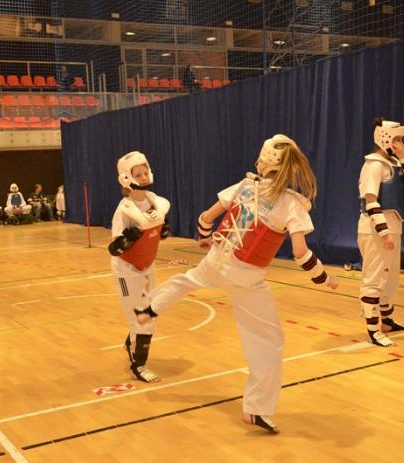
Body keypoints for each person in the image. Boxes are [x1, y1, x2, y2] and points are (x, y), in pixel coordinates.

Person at [135, 134, 339, 433]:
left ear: (263, 160)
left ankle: (149, 309)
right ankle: (257, 408)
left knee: (186, 280)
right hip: (246, 276)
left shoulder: (244, 185)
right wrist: (324, 277)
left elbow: (206, 218)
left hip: (216, 260)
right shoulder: (290, 203)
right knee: (268, 341)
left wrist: (205, 237)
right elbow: (300, 253)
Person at [357, 118, 404, 347]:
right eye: (397, 139)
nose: (400, 143)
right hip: (375, 229)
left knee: (391, 278)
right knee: (374, 278)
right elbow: (370, 199)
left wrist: (403, 156)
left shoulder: (394, 163)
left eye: (401, 139)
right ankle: (373, 330)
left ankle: (386, 321)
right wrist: (383, 231)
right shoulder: (373, 165)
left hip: (393, 227)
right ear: (384, 138)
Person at [108, 151, 171, 383]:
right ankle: (138, 365)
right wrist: (129, 238)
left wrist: (162, 231)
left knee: (150, 312)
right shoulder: (125, 209)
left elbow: (157, 233)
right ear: (126, 178)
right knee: (143, 319)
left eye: (145, 172)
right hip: (127, 271)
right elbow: (114, 248)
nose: (143, 177)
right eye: (138, 174)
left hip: (147, 266)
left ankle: (131, 343)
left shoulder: (155, 201)